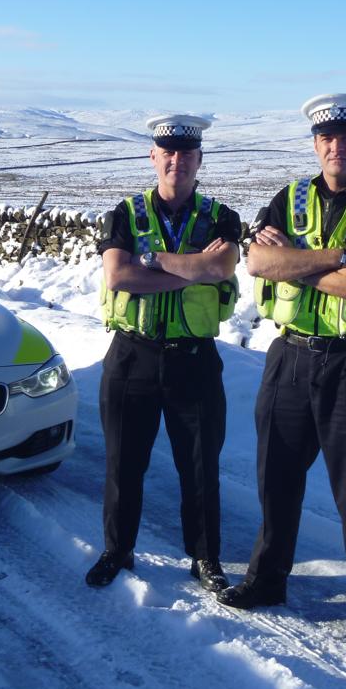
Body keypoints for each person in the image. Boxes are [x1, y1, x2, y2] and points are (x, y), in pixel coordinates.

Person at [216, 94, 346, 651]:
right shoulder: (290, 197)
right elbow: (257, 264)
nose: (335, 146)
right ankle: (267, 579)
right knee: (276, 477)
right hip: (291, 356)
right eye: (326, 137)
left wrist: (297, 262)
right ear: (315, 142)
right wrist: (337, 258)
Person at [87, 114, 241, 592]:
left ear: (199, 159)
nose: (178, 161)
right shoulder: (125, 214)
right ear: (153, 157)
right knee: (123, 462)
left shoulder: (221, 217)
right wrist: (195, 270)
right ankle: (117, 549)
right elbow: (119, 276)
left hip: (193, 358)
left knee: (199, 465)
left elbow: (224, 265)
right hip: (132, 355)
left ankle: (205, 558)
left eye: (187, 153)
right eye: (168, 153)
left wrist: (151, 259)